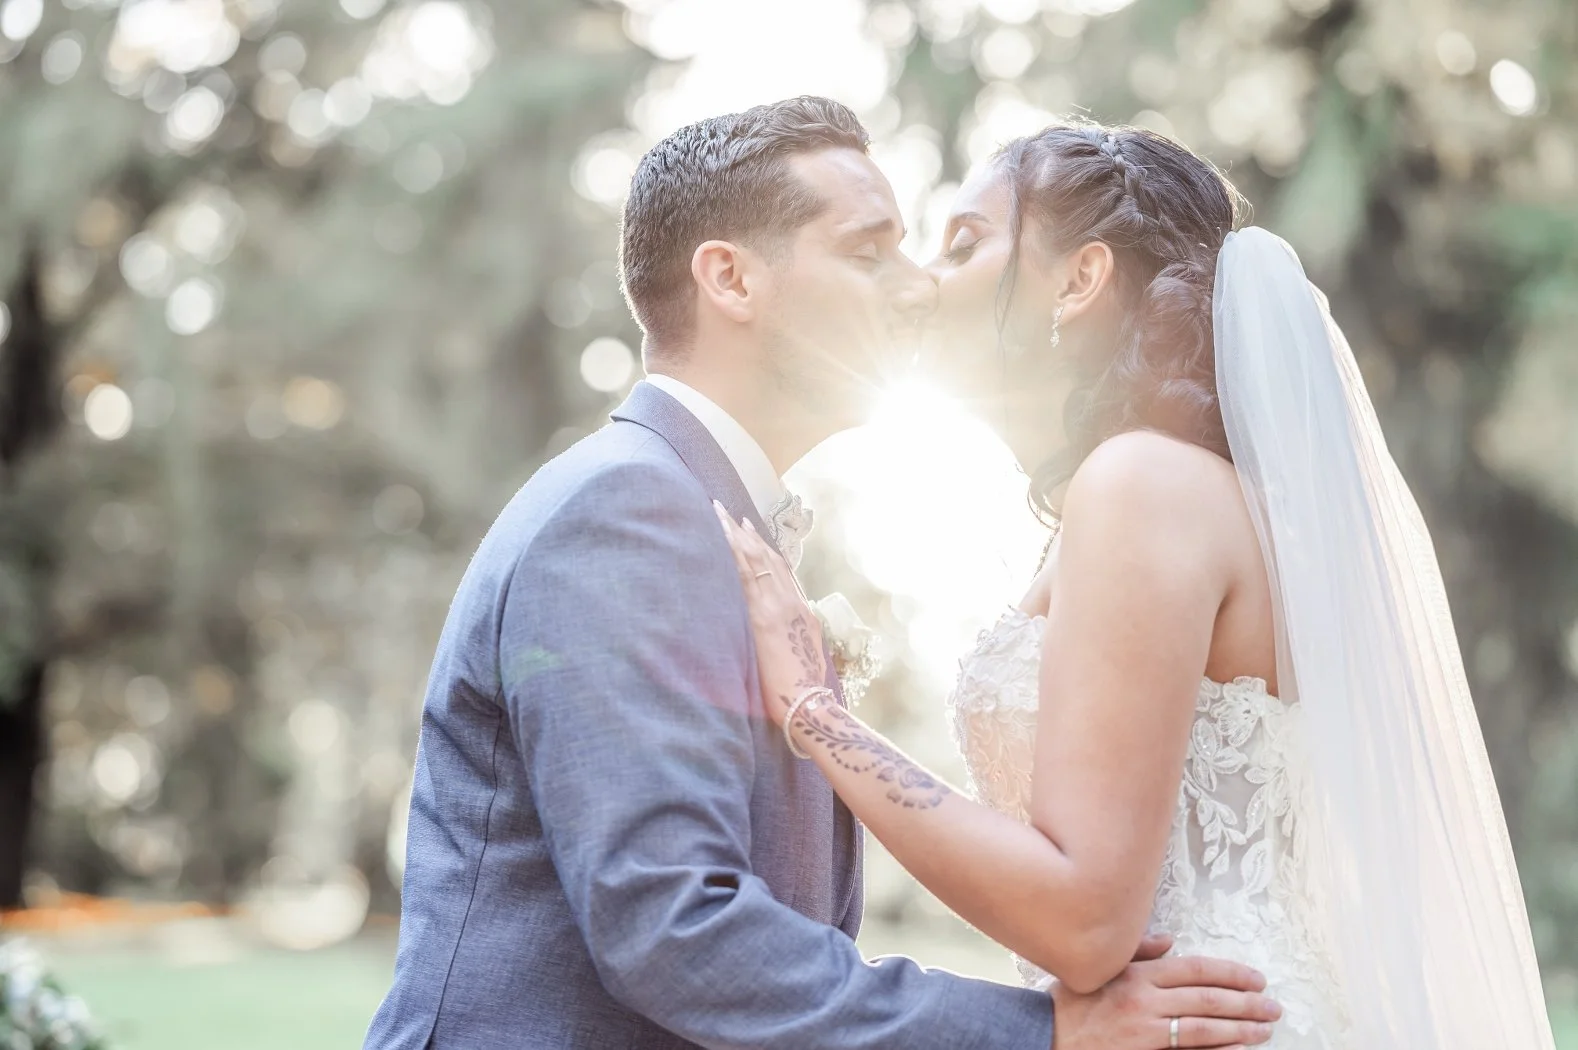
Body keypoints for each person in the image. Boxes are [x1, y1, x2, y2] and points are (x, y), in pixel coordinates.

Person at [363, 98, 1283, 1050]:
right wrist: (1037, 1034)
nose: (916, 287)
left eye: (941, 248)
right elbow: (674, 928)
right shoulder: (626, 511)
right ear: (730, 279)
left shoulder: (709, 516)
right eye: (868, 251)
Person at [718, 120, 1557, 1048]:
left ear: (1079, 280)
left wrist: (816, 713)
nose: (922, 283)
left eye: (963, 245)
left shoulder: (1141, 485)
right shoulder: (1159, 495)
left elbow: (1084, 918)